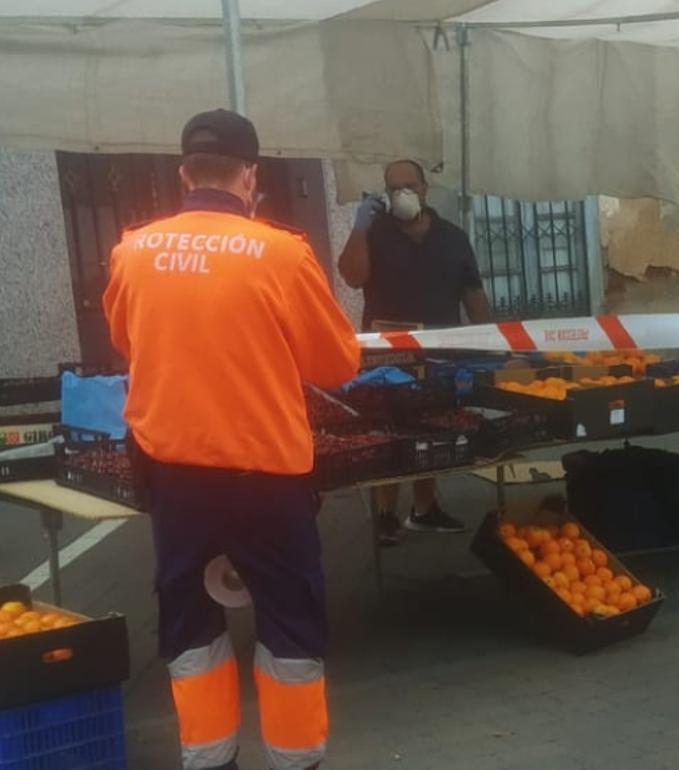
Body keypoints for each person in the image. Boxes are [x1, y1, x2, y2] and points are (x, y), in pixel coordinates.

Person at [103, 109, 361, 770]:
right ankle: (296, 760)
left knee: (190, 626)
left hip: (176, 476)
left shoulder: (133, 249)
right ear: (250, 176)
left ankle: (209, 759)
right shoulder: (280, 253)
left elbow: (125, 342)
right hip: (266, 479)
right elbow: (336, 365)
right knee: (290, 626)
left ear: (185, 173)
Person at [337, 159, 491, 545]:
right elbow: (352, 277)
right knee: (387, 433)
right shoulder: (375, 234)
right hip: (386, 357)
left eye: (409, 185)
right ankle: (384, 515)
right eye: (394, 188)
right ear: (385, 195)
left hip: (439, 353)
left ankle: (424, 509)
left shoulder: (452, 237)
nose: (403, 193)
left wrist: (491, 341)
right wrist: (359, 227)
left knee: (431, 428)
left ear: (425, 188)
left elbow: (473, 292)